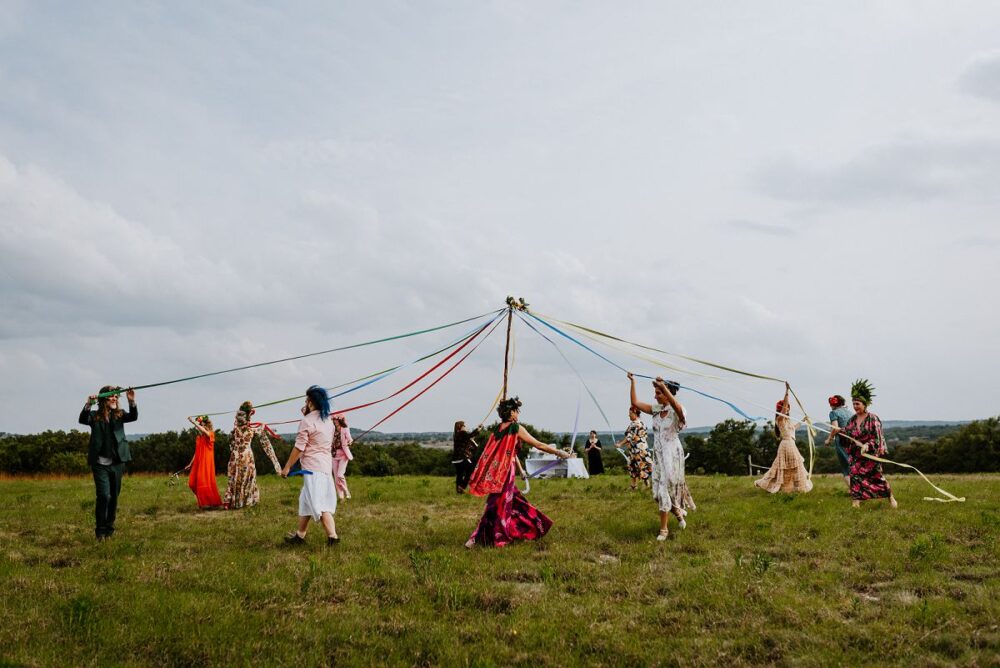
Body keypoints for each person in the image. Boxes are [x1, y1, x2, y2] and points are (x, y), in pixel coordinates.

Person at [465, 396, 571, 548]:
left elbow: (510, 453)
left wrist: (521, 471)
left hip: (498, 472)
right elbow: (538, 444)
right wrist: (558, 452)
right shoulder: (515, 428)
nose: (518, 414)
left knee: (511, 501)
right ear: (512, 412)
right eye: (516, 411)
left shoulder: (498, 429)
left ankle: (529, 527)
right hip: (505, 472)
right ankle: (485, 537)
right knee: (498, 504)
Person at [629, 373, 695, 541]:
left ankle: (663, 530)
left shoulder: (678, 410)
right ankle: (679, 514)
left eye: (658, 393)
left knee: (664, 490)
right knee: (657, 495)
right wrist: (633, 382)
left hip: (672, 455)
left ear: (667, 394)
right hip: (658, 455)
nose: (655, 396)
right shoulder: (657, 410)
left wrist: (663, 386)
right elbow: (635, 403)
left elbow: (678, 409)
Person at [282, 386, 340, 545]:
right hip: (324, 468)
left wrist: (287, 467)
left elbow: (299, 448)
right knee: (306, 500)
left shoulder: (306, 421)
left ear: (311, 402)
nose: (305, 402)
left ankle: (333, 538)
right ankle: (300, 536)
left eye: (307, 400)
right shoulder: (328, 420)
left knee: (318, 504)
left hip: (313, 469)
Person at [79, 386, 137, 539]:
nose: (114, 399)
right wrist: (88, 404)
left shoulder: (120, 414)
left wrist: (131, 402)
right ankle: (100, 531)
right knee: (104, 496)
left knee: (114, 498)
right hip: (100, 464)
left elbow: (133, 417)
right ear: (103, 399)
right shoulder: (94, 415)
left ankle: (109, 530)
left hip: (117, 463)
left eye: (116, 397)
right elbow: (83, 419)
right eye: (111, 396)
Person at [832, 379, 898, 509]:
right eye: (854, 404)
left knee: (877, 478)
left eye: (858, 404)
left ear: (865, 404)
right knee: (855, 477)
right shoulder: (852, 419)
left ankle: (890, 498)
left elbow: (878, 438)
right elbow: (848, 432)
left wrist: (868, 445)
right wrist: (840, 431)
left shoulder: (873, 418)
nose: (855, 406)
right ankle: (856, 502)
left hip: (870, 455)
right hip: (856, 455)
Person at [754, 385, 813, 493]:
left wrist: (803, 420)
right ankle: (774, 485)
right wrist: (787, 392)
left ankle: (793, 487)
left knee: (793, 466)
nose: (786, 409)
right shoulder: (779, 419)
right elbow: (785, 408)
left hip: (791, 444)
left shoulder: (788, 420)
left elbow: (794, 428)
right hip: (786, 444)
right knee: (788, 466)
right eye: (784, 408)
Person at [223, 400, 282, 510]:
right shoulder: (252, 430)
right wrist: (265, 427)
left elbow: (231, 443)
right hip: (246, 456)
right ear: (249, 415)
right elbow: (262, 431)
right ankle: (246, 501)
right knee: (248, 477)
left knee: (234, 477)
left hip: (235, 456)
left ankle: (229, 501)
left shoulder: (235, 430)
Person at [184, 415, 223, 509]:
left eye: (202, 424)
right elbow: (197, 451)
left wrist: (193, 422)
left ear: (207, 425)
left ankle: (207, 504)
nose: (201, 426)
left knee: (203, 482)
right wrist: (190, 463)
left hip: (206, 462)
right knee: (192, 483)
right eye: (200, 424)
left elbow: (205, 432)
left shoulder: (211, 434)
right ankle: (205, 501)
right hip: (198, 462)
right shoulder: (199, 438)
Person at [616, 406, 652, 490]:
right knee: (632, 466)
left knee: (641, 466)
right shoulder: (640, 423)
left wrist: (620, 444)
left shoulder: (636, 424)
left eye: (630, 414)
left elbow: (629, 436)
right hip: (634, 450)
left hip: (639, 450)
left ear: (635, 413)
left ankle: (646, 484)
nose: (629, 415)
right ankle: (633, 486)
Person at [824, 394, 853, 486]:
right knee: (854, 463)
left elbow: (835, 428)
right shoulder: (849, 412)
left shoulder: (833, 413)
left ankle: (853, 490)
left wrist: (829, 439)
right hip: (852, 440)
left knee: (845, 466)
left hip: (841, 440)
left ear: (832, 404)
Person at [332, 413, 353, 500]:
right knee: (336, 479)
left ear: (341, 420)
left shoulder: (345, 429)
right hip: (333, 455)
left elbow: (350, 439)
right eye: (334, 420)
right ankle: (341, 498)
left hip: (343, 455)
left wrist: (349, 442)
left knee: (340, 475)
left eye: (337, 419)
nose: (335, 421)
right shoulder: (331, 430)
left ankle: (346, 491)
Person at [452, 420, 478, 494]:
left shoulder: (457, 434)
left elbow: (469, 438)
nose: (465, 427)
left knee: (459, 474)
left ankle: (459, 490)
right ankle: (462, 486)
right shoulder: (462, 433)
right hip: (462, 458)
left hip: (455, 459)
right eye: (464, 426)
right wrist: (478, 429)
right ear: (460, 427)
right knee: (471, 470)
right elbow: (471, 435)